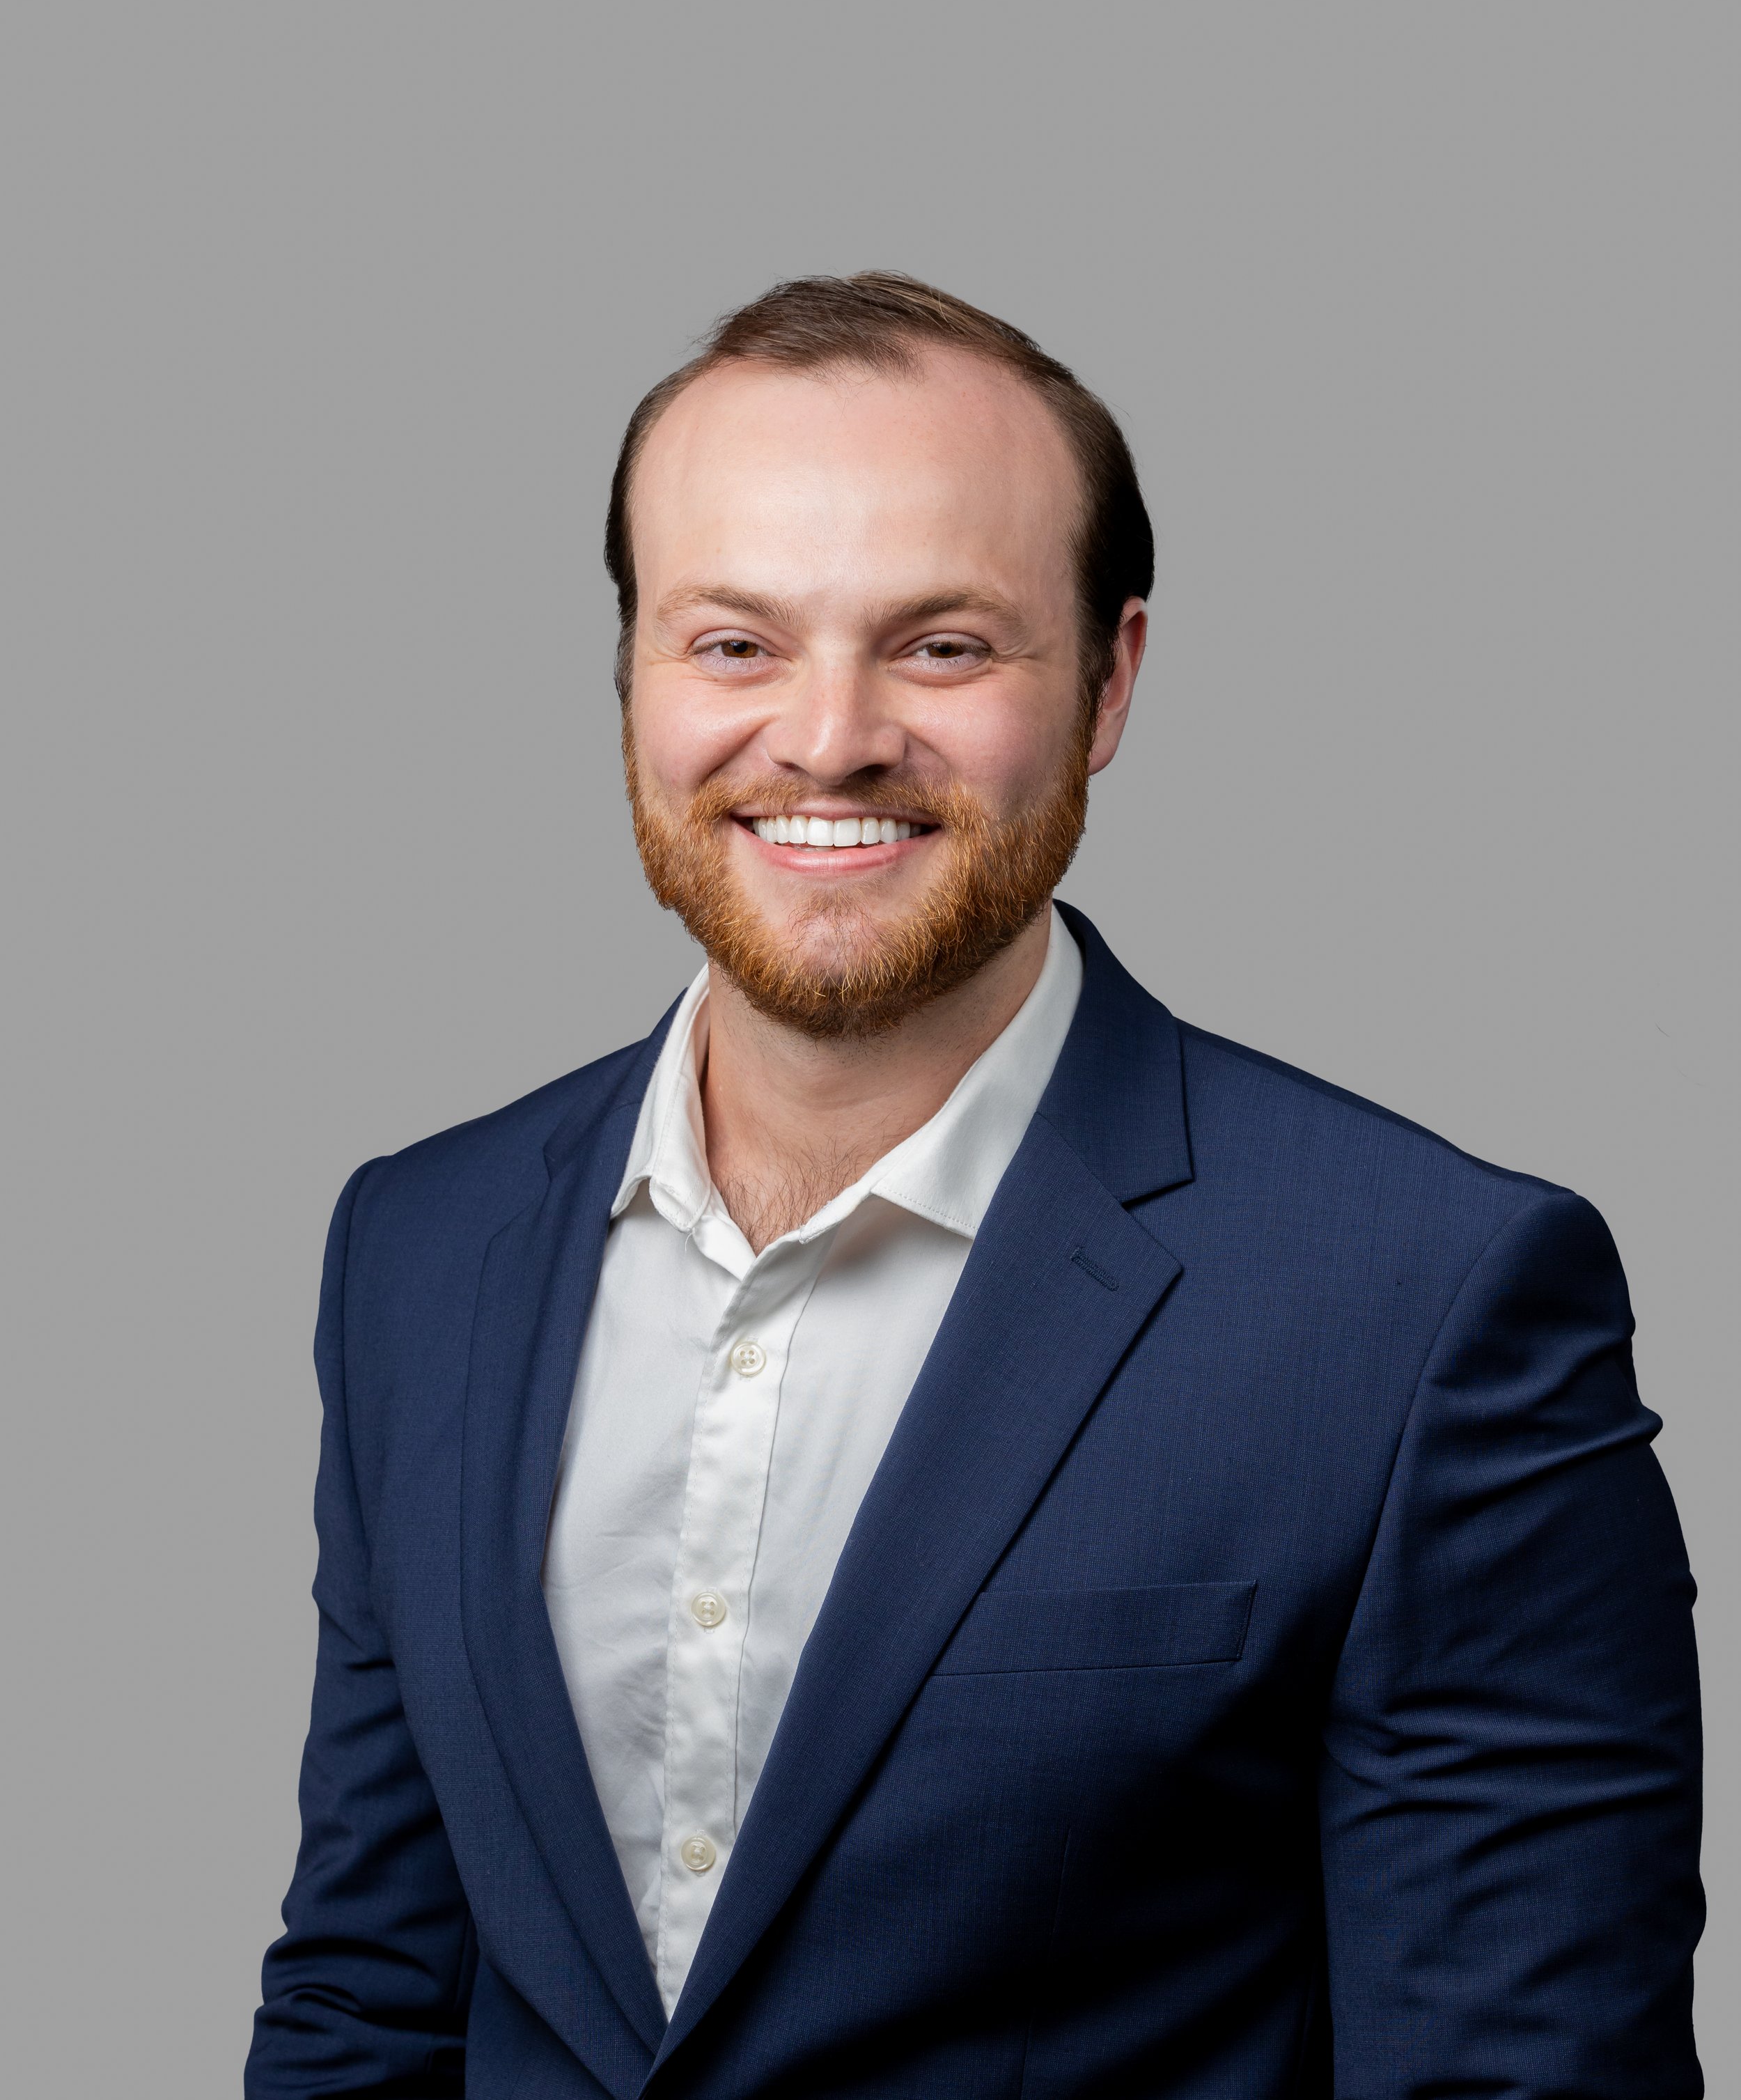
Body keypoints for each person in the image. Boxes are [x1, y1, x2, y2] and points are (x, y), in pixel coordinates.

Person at [246, 274, 1702, 2099]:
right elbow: (367, 2005)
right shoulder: (418, 1250)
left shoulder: (1420, 1308)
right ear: (628, 673)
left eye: (942, 646)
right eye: (731, 644)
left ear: (1107, 684)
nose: (831, 735)